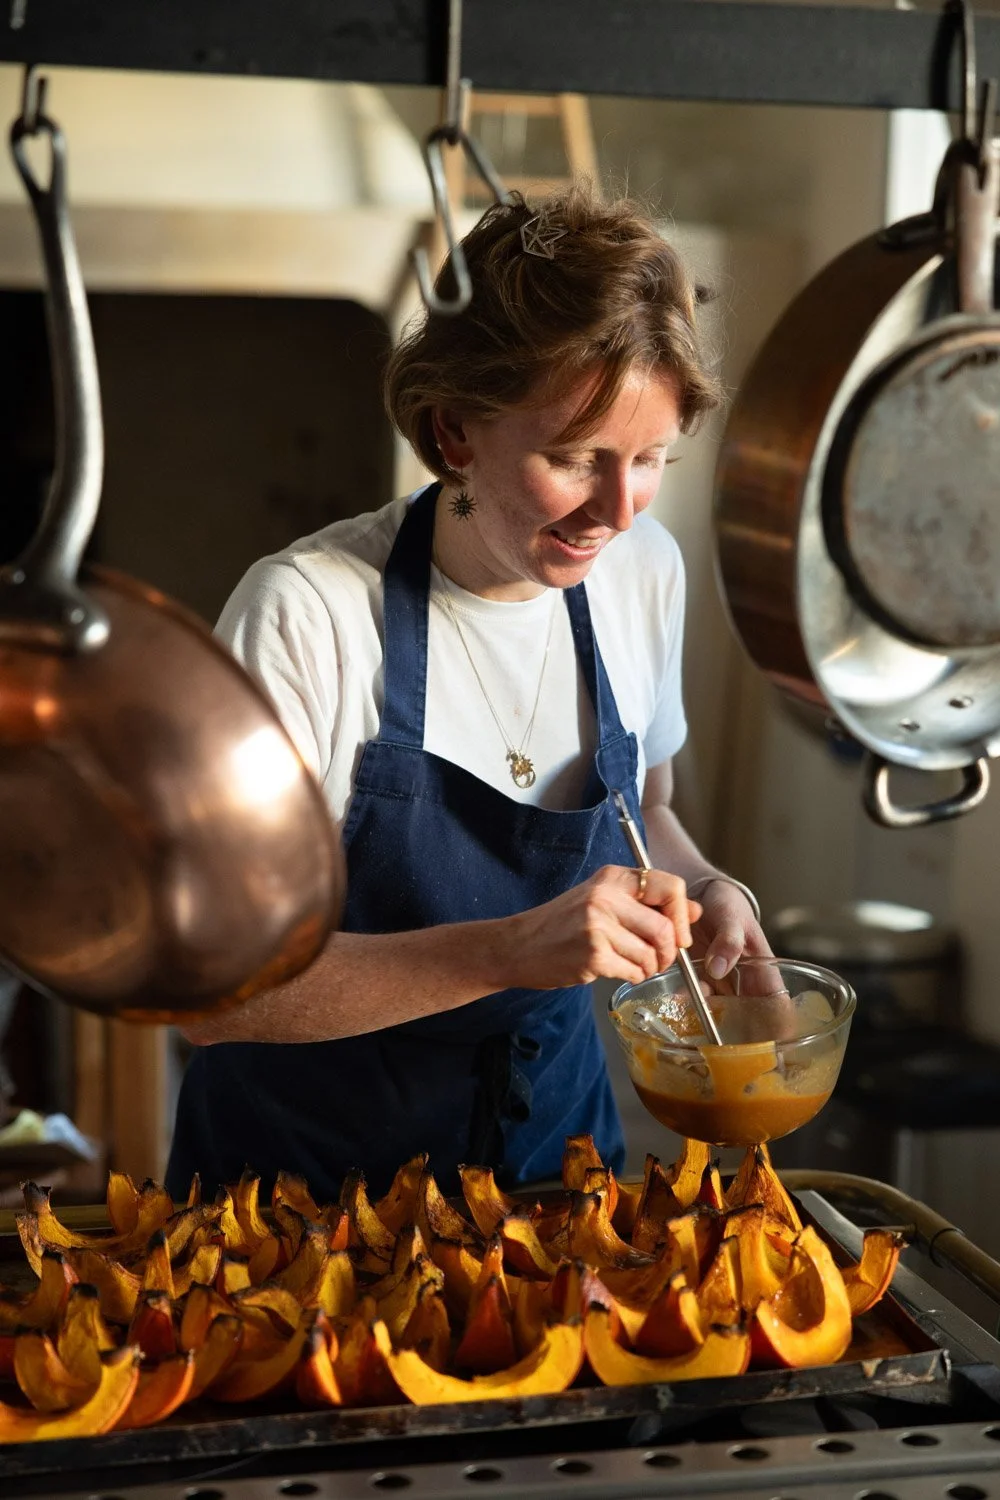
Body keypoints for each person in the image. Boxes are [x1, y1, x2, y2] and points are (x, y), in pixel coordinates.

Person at [165, 186, 770, 1204]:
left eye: (651, 461)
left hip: (553, 1182)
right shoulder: (308, 615)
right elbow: (211, 1001)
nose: (616, 512)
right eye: (575, 459)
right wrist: (505, 950)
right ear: (453, 435)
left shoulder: (642, 572)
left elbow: (645, 813)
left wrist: (712, 891)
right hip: (303, 1210)